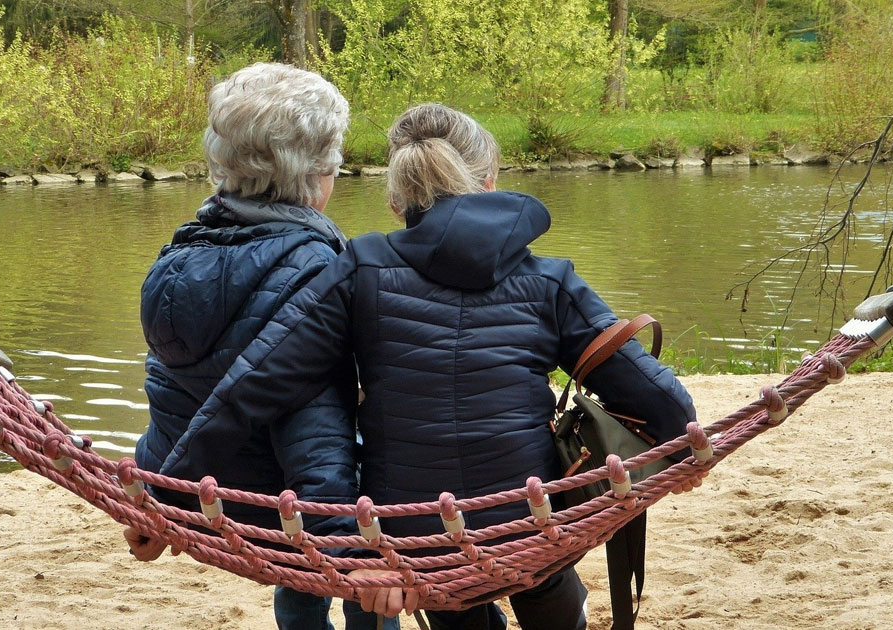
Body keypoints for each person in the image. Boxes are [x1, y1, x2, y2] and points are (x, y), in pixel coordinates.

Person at [163, 104, 698, 630]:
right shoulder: (550, 280)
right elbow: (659, 401)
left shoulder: (359, 268)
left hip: (416, 542)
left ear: (397, 200)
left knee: (443, 590)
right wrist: (686, 446)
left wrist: (167, 495)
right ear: (488, 182)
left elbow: (254, 385)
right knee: (543, 565)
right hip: (530, 524)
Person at [124, 62, 396, 630]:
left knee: (299, 583)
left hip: (215, 498)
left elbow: (170, 396)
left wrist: (156, 498)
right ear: (317, 175)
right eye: (335, 164)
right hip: (296, 509)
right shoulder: (320, 271)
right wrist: (348, 554)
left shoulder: (174, 260)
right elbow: (316, 430)